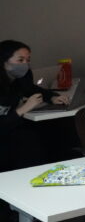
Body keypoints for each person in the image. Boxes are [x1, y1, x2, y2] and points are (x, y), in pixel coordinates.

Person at [0, 40, 61, 170]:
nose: (25, 64)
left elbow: (32, 89)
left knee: (52, 130)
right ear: (3, 61)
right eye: (20, 60)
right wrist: (24, 108)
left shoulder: (21, 77)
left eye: (28, 60)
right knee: (28, 141)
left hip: (12, 128)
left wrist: (52, 97)